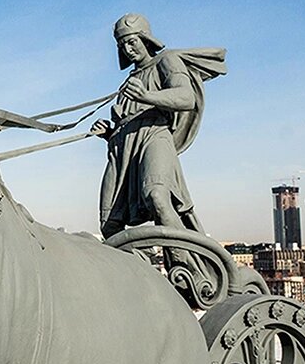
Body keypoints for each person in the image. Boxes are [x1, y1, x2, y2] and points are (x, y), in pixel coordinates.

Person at [91, 13, 226, 240]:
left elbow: (186, 97)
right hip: (121, 149)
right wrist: (110, 133)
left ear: (145, 39)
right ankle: (136, 270)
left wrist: (147, 95)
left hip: (154, 137)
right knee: (109, 222)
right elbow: (131, 117)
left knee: (157, 197)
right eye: (122, 45)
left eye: (132, 42)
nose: (128, 49)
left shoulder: (166, 60)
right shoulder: (128, 81)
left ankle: (186, 266)